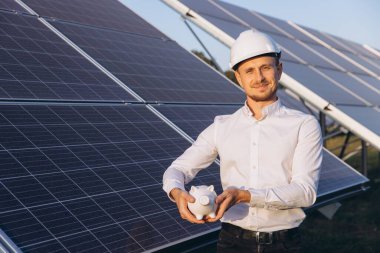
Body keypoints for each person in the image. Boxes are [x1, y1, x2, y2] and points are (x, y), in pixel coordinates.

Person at [163, 30, 323, 253]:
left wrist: (246, 196)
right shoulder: (222, 126)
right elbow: (178, 169)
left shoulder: (304, 125)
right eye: (249, 71)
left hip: (284, 245)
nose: (258, 78)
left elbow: (305, 192)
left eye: (266, 67)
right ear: (238, 77)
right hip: (232, 243)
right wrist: (176, 192)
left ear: (279, 69)